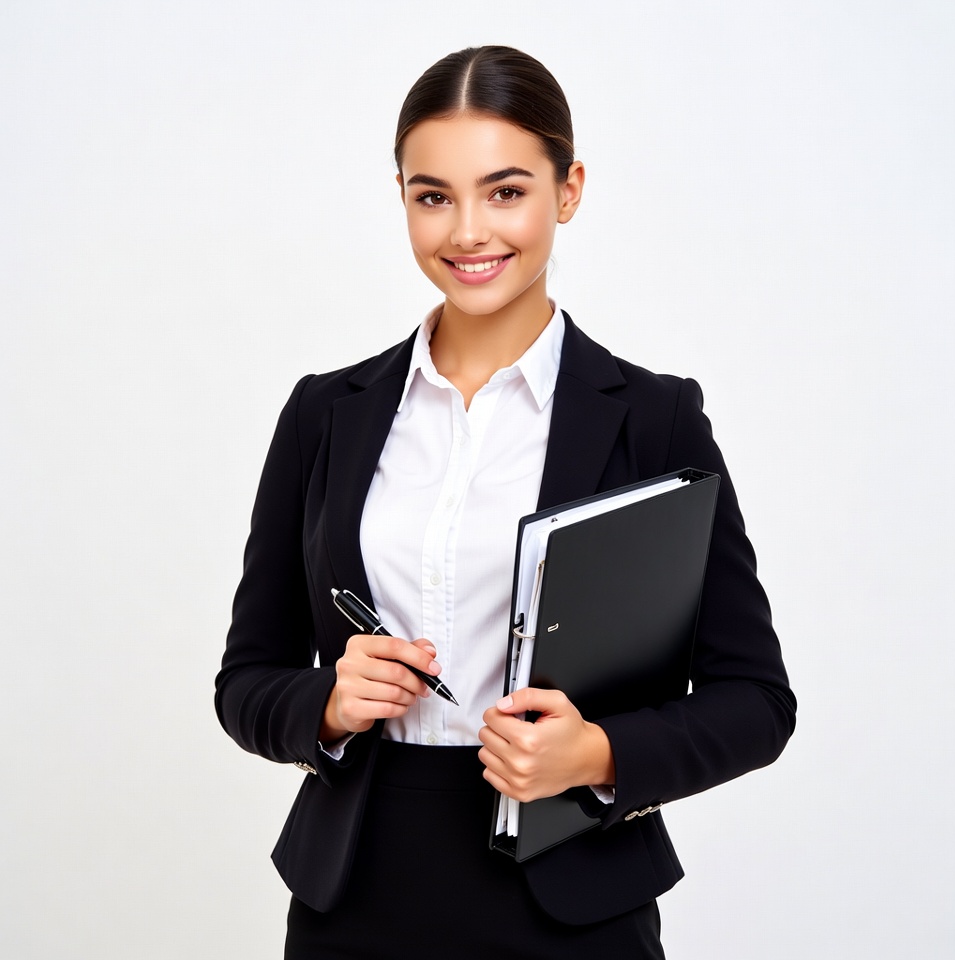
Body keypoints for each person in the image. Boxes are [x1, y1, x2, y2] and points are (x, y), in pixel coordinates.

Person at [215, 45, 796, 959]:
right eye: (433, 195)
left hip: (572, 898)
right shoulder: (326, 414)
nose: (468, 232)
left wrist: (597, 756)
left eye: (507, 190)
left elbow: (756, 701)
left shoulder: (653, 417)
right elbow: (246, 682)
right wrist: (325, 702)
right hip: (355, 895)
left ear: (568, 191)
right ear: (402, 196)